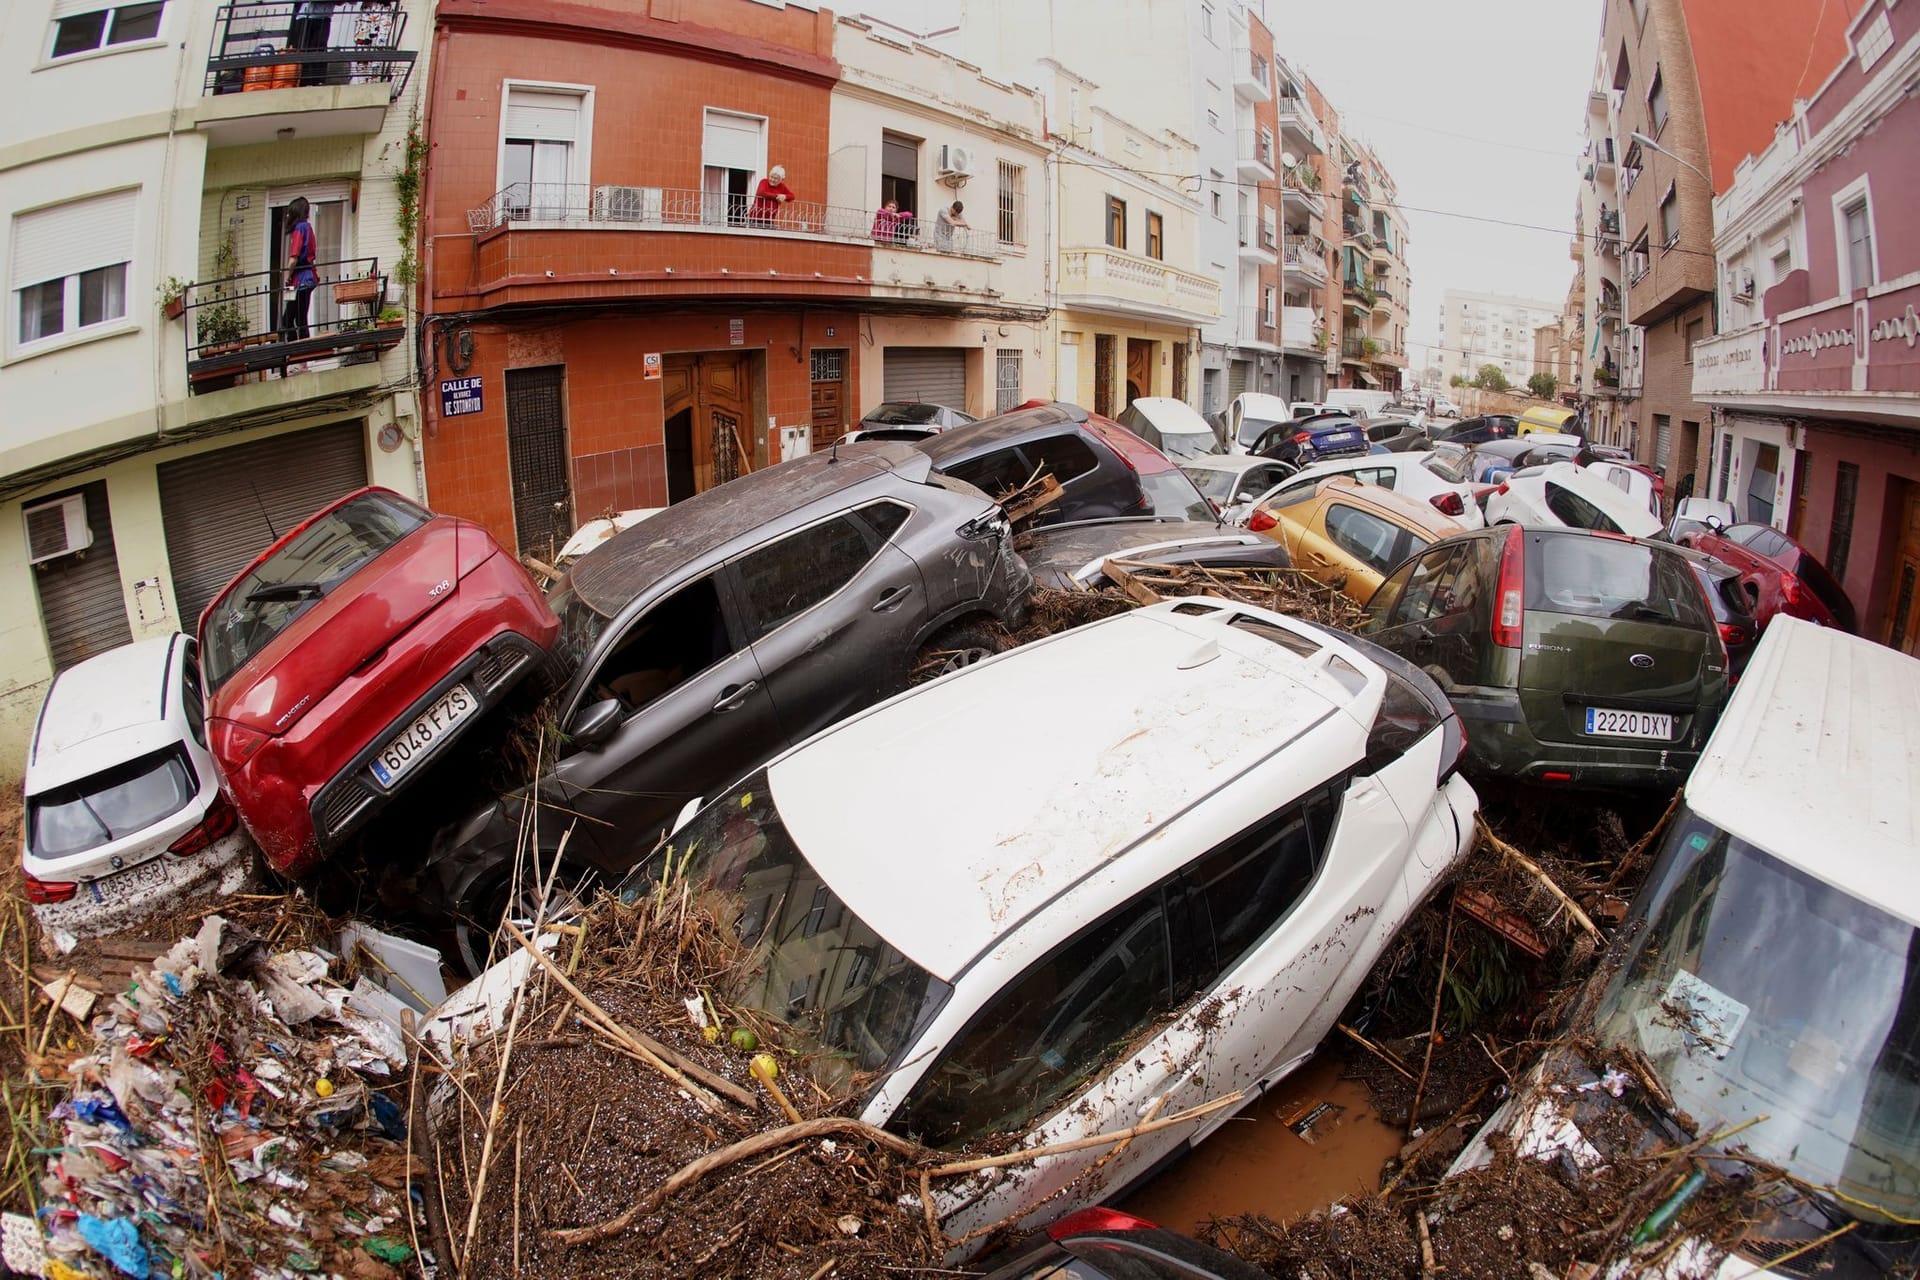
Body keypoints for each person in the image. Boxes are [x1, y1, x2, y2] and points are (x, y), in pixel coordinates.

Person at [280, 197, 318, 343]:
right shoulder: (308, 227)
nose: (287, 216)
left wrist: (288, 276)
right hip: (309, 277)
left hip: (300, 279)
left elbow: (293, 258)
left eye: (289, 213)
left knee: (288, 320)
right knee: (301, 318)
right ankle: (302, 359)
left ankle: (296, 356)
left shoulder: (299, 229)